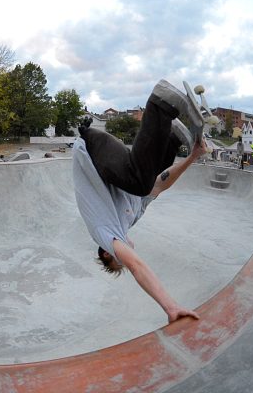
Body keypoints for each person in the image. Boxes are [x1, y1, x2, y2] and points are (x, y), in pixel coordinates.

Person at [73, 79, 213, 323]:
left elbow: (137, 266)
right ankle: (172, 135)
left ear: (108, 254)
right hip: (109, 157)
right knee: (147, 182)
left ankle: (160, 103)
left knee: (139, 182)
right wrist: (193, 157)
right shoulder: (130, 216)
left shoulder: (104, 232)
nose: (127, 256)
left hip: (89, 149)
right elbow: (161, 185)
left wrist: (170, 307)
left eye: (120, 261)